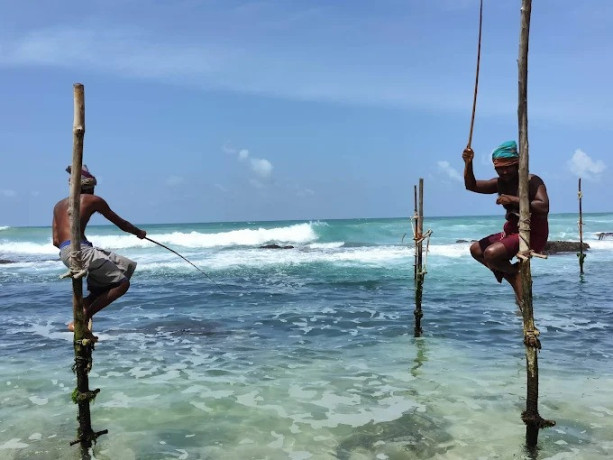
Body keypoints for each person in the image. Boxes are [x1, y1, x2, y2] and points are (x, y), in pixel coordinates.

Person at [52, 165, 146, 339]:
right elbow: (122, 224)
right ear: (89, 187)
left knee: (125, 266)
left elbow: (56, 241)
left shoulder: (58, 205)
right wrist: (139, 233)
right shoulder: (92, 200)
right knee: (122, 284)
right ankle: (81, 318)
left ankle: (88, 302)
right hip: (81, 251)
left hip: (66, 252)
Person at [462, 140, 549, 304]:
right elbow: (471, 185)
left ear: (517, 164)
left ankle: (514, 276)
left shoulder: (532, 181)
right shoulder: (500, 183)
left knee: (491, 254)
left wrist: (514, 199)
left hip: (531, 233)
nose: (504, 172)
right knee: (476, 250)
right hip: (512, 231)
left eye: (508, 167)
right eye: (499, 168)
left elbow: (543, 207)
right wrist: (468, 163)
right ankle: (513, 274)